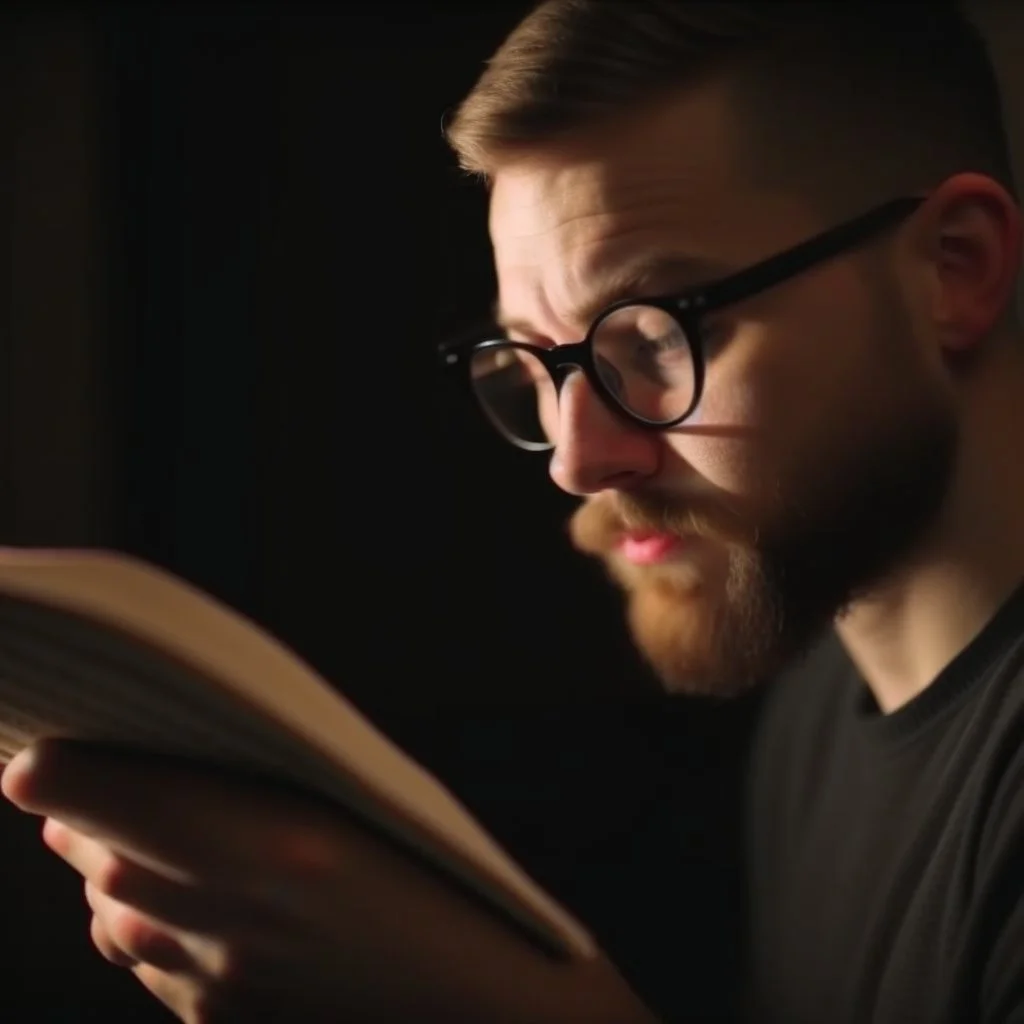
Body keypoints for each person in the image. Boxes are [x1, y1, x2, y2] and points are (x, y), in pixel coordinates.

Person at [3, 2, 1024, 1021]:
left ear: (955, 267)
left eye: (661, 333)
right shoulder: (816, 695)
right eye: (535, 361)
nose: (577, 460)